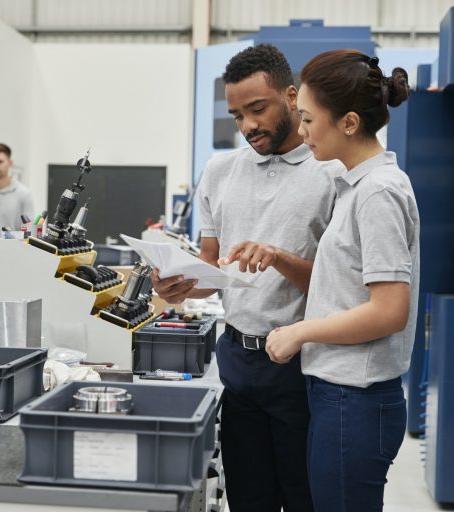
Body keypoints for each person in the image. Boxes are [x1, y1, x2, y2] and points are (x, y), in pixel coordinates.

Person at [151, 44, 342, 512]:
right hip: (236, 360)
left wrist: (278, 257)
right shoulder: (219, 172)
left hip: (303, 363)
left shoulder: (332, 173)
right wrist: (177, 284)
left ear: (292, 97)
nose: (248, 126)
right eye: (237, 115)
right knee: (248, 498)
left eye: (258, 109)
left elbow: (341, 288)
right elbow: (212, 269)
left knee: (305, 497)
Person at [265, 50, 419, 511]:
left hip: (357, 399)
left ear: (349, 122)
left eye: (309, 120)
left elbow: (390, 311)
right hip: (339, 394)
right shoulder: (355, 186)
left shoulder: (379, 193)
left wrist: (299, 331)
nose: (303, 132)